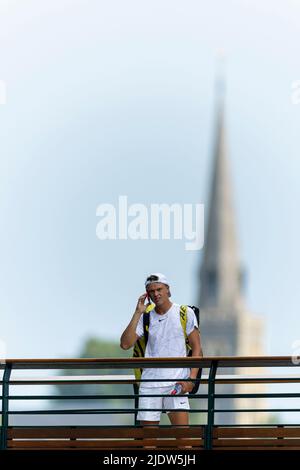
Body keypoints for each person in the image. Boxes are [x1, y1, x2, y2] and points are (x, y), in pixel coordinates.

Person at [120, 273, 203, 427]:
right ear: (147, 295)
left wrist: (191, 380)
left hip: (176, 384)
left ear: (167, 290)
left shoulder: (184, 313)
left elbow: (197, 348)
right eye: (151, 291)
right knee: (149, 441)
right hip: (150, 384)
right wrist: (138, 312)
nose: (156, 294)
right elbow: (125, 344)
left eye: (159, 289)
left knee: (183, 439)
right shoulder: (145, 317)